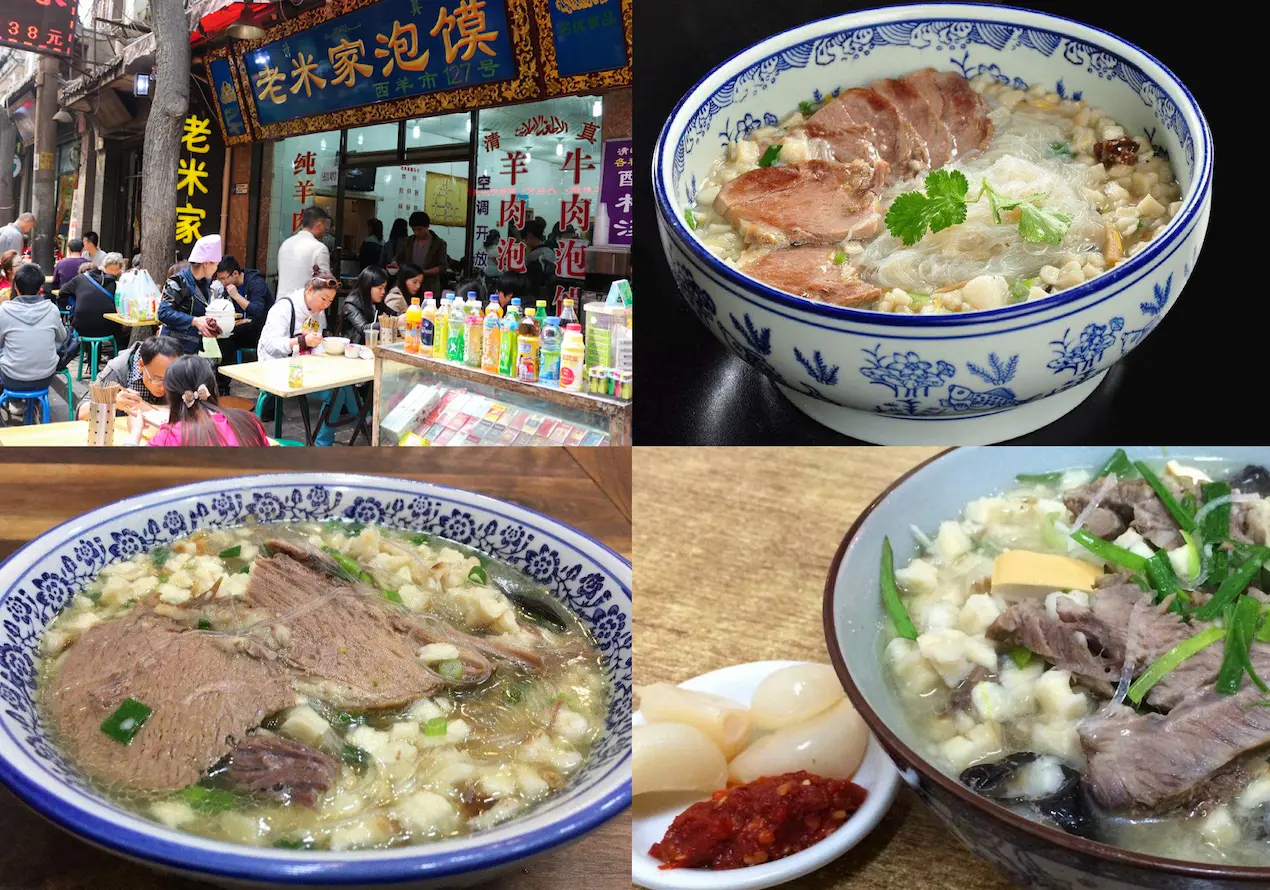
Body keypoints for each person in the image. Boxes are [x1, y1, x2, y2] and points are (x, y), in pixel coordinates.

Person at [257, 265, 348, 446]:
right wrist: (301, 341)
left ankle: (326, 440)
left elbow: (315, 344)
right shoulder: (284, 308)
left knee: (344, 386)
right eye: (324, 298)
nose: (326, 305)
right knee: (338, 392)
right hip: (276, 368)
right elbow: (270, 345)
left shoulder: (316, 311)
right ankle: (357, 422)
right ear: (309, 291)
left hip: (302, 366)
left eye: (330, 301)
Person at [125, 354, 267, 446]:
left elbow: (130, 471)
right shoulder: (249, 421)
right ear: (213, 386)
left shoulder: (170, 436)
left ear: (170, 394)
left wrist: (135, 433)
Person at [0, 262, 67, 422]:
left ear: (15, 287)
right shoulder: (52, 309)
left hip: (12, 378)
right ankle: (34, 405)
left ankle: (14, 404)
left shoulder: (4, 310)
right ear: (40, 288)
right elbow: (62, 338)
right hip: (44, 378)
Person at [76, 334, 181, 420]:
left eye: (170, 380)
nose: (164, 387)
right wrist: (113, 403)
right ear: (141, 365)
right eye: (158, 380)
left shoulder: (181, 369)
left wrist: (150, 409)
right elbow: (81, 412)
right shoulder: (117, 371)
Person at [214, 256, 272, 394]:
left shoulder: (256, 283)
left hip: (263, 330)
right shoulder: (227, 287)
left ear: (235, 273)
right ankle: (220, 386)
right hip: (243, 327)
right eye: (219, 279)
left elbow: (258, 312)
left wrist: (236, 296)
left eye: (224, 278)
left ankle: (223, 387)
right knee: (222, 336)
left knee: (228, 338)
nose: (222, 282)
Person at [158, 235, 223, 355]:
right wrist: (194, 321)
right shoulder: (177, 281)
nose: (216, 269)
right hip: (170, 347)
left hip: (192, 346)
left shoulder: (205, 282)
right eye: (216, 265)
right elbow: (163, 313)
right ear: (206, 263)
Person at [69, 252, 126, 346]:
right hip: (103, 320)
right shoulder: (101, 277)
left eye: (116, 269)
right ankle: (116, 354)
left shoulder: (119, 277)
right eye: (111, 269)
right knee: (118, 331)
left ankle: (95, 355)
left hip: (83, 322)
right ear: (105, 267)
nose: (114, 272)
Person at [277, 206, 331, 297]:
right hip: (304, 307)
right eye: (326, 225)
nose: (326, 229)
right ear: (319, 225)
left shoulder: (286, 243)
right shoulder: (319, 248)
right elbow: (325, 283)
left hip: (281, 304)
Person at [394, 211, 446, 296]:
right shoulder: (409, 241)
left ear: (427, 226)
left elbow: (442, 267)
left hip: (429, 287)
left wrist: (423, 272)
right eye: (414, 230)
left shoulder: (439, 243)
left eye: (419, 229)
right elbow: (398, 258)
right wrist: (394, 263)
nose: (416, 232)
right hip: (409, 287)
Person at [341, 266, 396, 345]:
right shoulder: (351, 304)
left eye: (384, 288)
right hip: (354, 348)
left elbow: (392, 313)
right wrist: (391, 322)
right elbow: (364, 329)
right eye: (380, 288)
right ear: (368, 286)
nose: (383, 292)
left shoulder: (377, 303)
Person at [522, 219, 556, 289]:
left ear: (529, 236)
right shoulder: (551, 252)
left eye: (524, 239)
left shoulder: (532, 256)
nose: (524, 242)